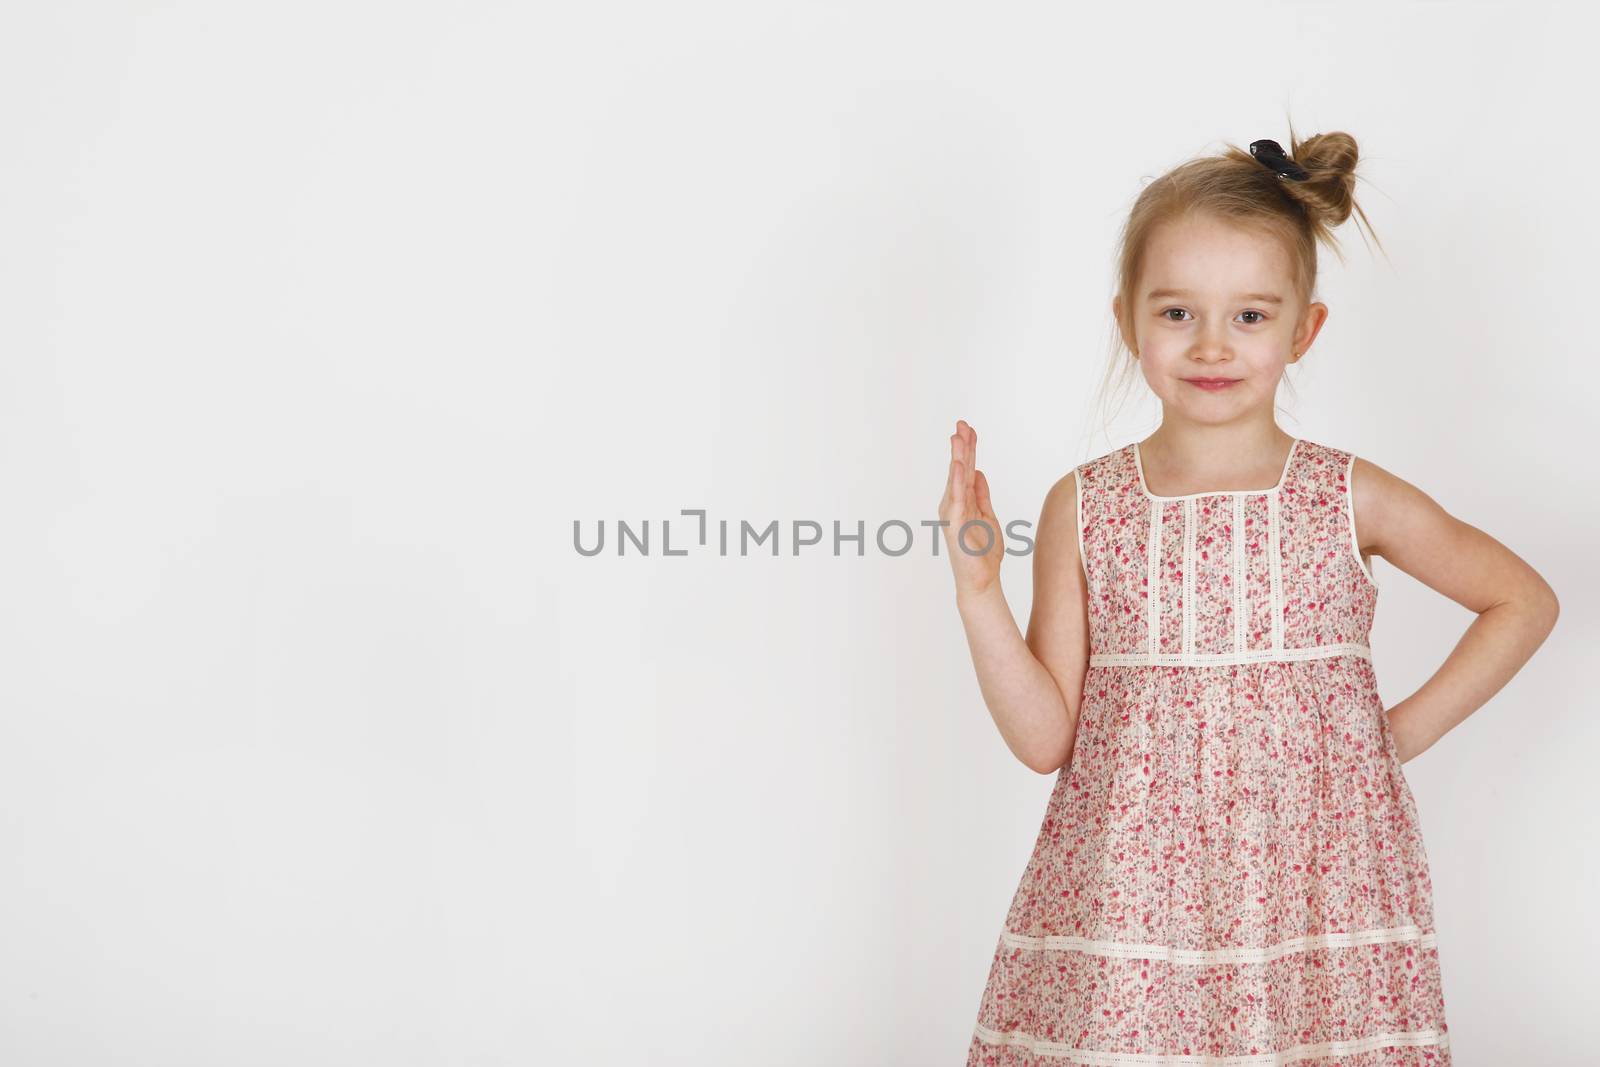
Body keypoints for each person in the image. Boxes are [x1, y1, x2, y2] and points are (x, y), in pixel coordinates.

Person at [940, 129, 1559, 1065]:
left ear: (1304, 328)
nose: (1212, 345)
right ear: (1128, 320)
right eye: (1178, 312)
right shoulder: (1086, 505)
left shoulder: (1351, 494)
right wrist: (979, 589)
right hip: (1132, 907)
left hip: (1312, 893)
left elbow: (1522, 599)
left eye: (1252, 317)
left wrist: (1393, 736)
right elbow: (1043, 740)